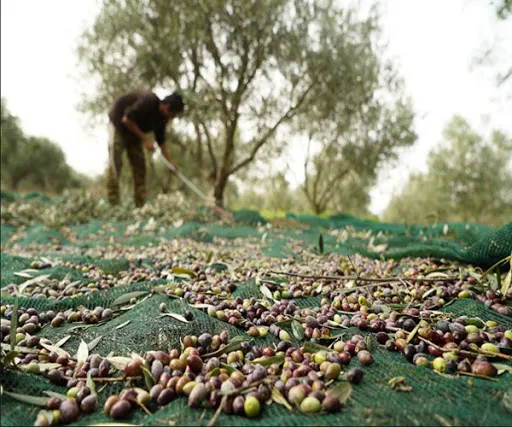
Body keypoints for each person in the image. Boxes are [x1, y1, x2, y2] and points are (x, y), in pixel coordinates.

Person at [106, 89, 184, 207]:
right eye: (172, 114)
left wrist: (170, 163)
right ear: (166, 106)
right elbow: (127, 119)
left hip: (134, 132)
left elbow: (162, 142)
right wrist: (146, 140)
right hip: (119, 126)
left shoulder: (162, 120)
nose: (171, 118)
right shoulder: (149, 101)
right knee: (115, 162)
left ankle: (140, 205)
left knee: (140, 166)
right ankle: (113, 203)